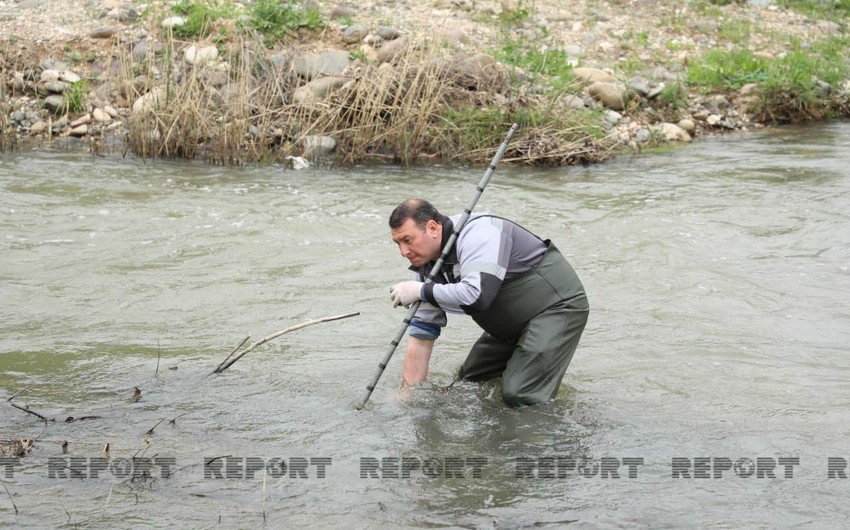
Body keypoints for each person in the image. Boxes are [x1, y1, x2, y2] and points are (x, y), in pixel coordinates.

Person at [388, 198, 589, 407]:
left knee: (520, 395)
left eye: (408, 240)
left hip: (556, 309)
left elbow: (477, 296)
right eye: (398, 243)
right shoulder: (428, 265)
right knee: (470, 382)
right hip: (510, 323)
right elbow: (422, 333)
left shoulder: (480, 234)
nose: (403, 252)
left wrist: (421, 290)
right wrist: (408, 394)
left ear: (432, 228)